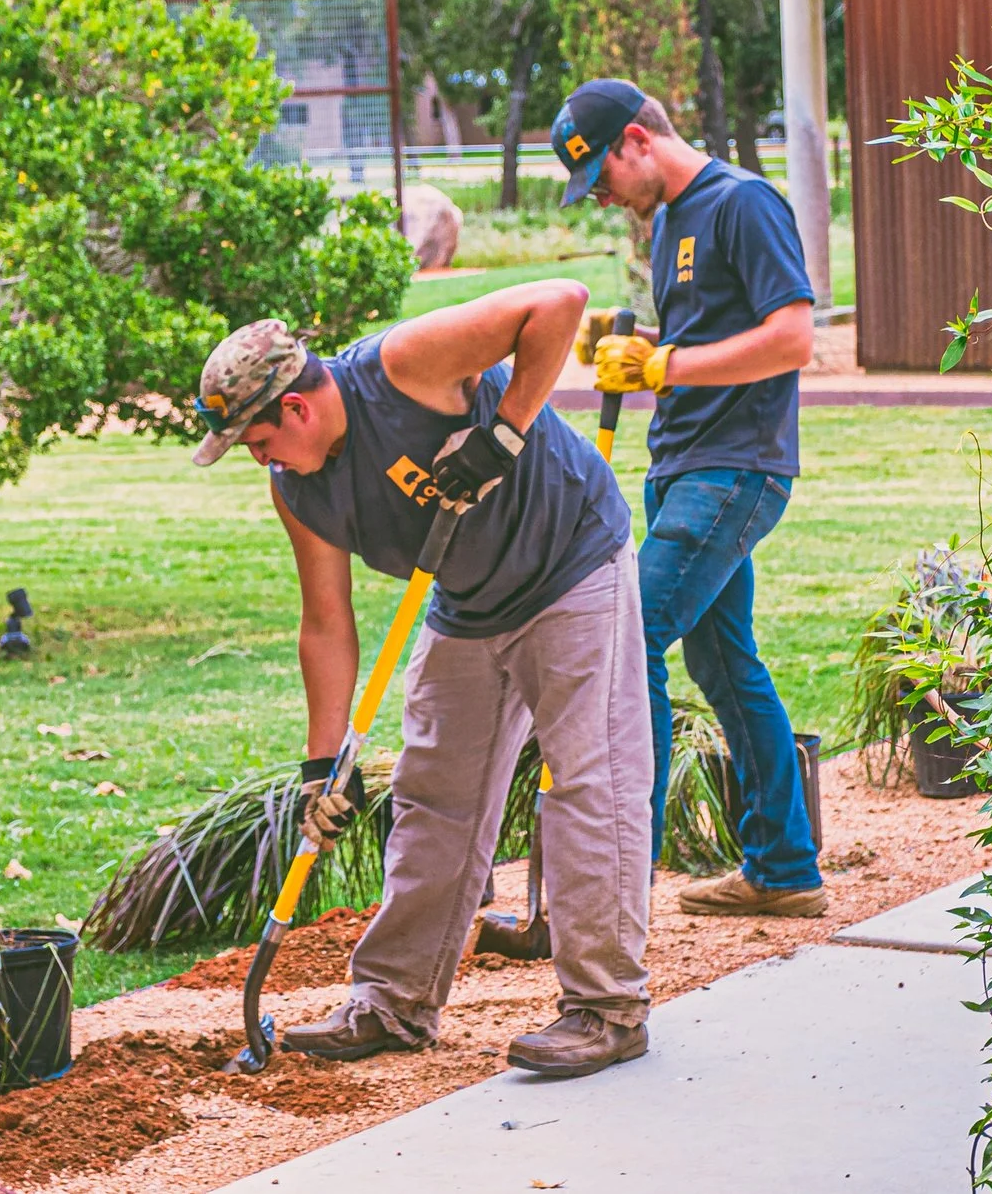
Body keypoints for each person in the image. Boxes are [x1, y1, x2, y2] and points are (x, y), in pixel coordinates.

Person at [187, 283, 652, 1078]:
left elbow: (559, 303)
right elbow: (326, 622)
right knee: (433, 791)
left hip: (569, 563)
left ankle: (607, 1007)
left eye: (258, 442)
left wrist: (503, 434)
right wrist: (321, 764)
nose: (258, 461)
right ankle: (394, 1001)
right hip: (467, 600)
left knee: (589, 778)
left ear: (296, 409)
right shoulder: (295, 487)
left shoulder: (402, 366)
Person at [549, 76, 826, 918]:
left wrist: (667, 366)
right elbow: (707, 333)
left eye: (601, 174)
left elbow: (792, 338)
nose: (600, 195)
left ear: (639, 137)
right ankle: (784, 870)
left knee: (630, 640)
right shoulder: (668, 219)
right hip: (681, 463)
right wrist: (639, 349)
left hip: (737, 467)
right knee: (721, 661)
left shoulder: (745, 204)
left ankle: (620, 882)